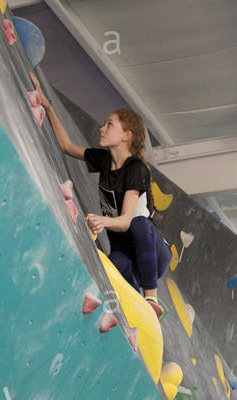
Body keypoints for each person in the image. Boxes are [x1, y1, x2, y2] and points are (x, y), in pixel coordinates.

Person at [31, 77, 171, 318]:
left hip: (153, 253)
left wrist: (103, 221)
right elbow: (66, 146)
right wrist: (48, 105)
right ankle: (139, 308)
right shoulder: (104, 160)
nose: (101, 128)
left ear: (126, 136)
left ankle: (151, 298)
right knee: (112, 264)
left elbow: (127, 220)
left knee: (139, 224)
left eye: (109, 125)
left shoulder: (135, 167)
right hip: (129, 257)